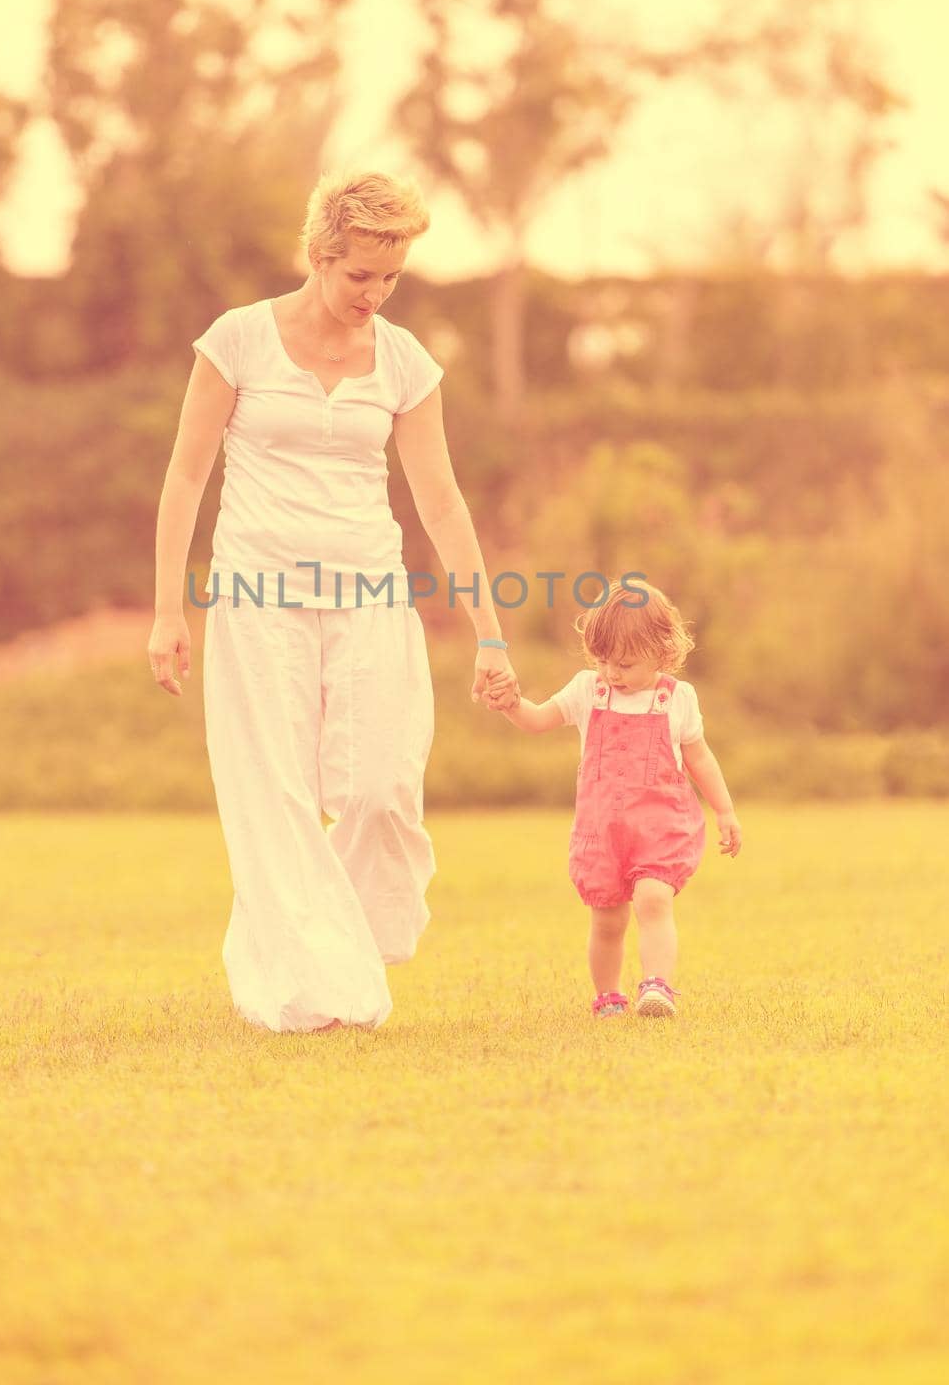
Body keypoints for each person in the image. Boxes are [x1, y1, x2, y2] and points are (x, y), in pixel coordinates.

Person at [147, 168, 519, 1033]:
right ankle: (318, 986)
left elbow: (441, 502)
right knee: (274, 792)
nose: (375, 294)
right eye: (360, 274)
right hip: (256, 597)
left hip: (370, 598)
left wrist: (489, 637)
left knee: (381, 786)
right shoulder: (236, 342)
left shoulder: (405, 362)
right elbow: (186, 475)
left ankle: (323, 943)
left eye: (391, 278)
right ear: (319, 255)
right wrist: (171, 610)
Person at [484, 579, 741, 1019]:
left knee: (653, 899)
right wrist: (512, 704)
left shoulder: (676, 700)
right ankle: (608, 996)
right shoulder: (589, 691)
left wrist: (725, 810)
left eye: (623, 664)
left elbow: (699, 757)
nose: (611, 674)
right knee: (607, 921)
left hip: (660, 829)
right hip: (602, 833)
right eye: (602, 661)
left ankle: (657, 985)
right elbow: (539, 719)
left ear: (662, 653)